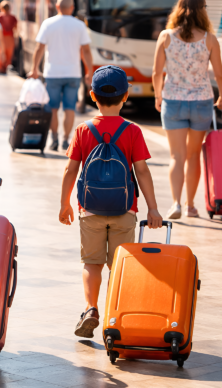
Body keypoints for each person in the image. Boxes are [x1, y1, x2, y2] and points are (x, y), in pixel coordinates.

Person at [59, 65, 163, 338]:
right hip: (124, 210)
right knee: (118, 265)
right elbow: (142, 171)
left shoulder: (83, 130)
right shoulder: (132, 131)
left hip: (89, 210)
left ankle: (91, 309)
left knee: (92, 264)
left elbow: (70, 170)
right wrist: (152, 208)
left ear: (92, 96)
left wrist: (64, 204)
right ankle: (117, 314)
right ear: (126, 96)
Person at [152, 0, 222, 219]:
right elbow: (220, 74)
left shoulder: (166, 36)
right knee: (193, 155)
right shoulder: (209, 39)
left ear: (179, 9)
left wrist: (158, 96)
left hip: (173, 101)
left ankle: (175, 203)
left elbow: (157, 72)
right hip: (201, 102)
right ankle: (191, 205)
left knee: (176, 156)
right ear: (202, 11)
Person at [29, 0, 94, 151]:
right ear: (72, 8)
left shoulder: (48, 24)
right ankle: (66, 140)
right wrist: (90, 71)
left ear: (57, 7)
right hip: (73, 73)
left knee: (53, 108)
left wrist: (34, 68)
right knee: (69, 108)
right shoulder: (79, 25)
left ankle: (54, 139)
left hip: (53, 73)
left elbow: (39, 48)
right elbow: (86, 51)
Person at [0, 0, 18, 74]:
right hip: (10, 38)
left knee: (1, 52)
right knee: (9, 54)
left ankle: (1, 68)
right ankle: (5, 68)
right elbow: (16, 28)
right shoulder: (13, 17)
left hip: (1, 37)